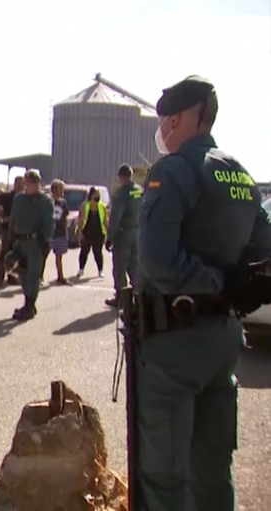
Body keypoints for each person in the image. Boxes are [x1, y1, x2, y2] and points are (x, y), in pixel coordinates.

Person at [134, 76, 271, 510]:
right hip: (224, 339)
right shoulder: (240, 174)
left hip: (176, 341)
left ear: (175, 119)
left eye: (163, 120)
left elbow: (157, 260)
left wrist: (211, 285)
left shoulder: (173, 170)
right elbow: (263, 256)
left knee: (163, 475)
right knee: (212, 472)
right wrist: (229, 290)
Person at [8, 170, 54, 321]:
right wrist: (11, 236)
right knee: (22, 272)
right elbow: (13, 218)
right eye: (27, 182)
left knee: (33, 275)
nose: (29, 185)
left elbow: (49, 223)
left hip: (35, 242)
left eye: (33, 182)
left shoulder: (44, 200)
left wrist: (45, 240)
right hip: (20, 241)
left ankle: (29, 306)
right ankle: (29, 304)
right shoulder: (19, 198)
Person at [104, 164, 143, 308]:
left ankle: (121, 298)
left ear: (121, 177)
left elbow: (116, 217)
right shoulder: (140, 191)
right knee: (135, 266)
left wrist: (110, 237)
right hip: (137, 233)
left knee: (120, 267)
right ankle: (139, 297)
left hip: (124, 234)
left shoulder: (121, 194)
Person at [0, 175, 24, 287]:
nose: (22, 186)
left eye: (23, 184)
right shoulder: (7, 196)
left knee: (18, 253)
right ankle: (0, 277)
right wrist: (1, 216)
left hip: (21, 229)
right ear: (15, 184)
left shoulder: (25, 197)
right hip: (8, 228)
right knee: (5, 251)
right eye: (20, 184)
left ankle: (12, 276)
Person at [76, 186, 106, 278]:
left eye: (99, 194)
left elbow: (105, 220)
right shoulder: (84, 205)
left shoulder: (102, 206)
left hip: (98, 233)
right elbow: (80, 220)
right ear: (91, 195)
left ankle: (100, 270)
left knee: (98, 252)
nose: (98, 196)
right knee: (84, 251)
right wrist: (79, 233)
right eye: (96, 194)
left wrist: (107, 233)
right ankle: (81, 269)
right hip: (87, 232)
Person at [49, 180, 70, 285]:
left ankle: (60, 276)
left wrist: (65, 231)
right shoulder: (48, 201)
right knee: (43, 255)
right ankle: (39, 277)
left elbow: (65, 217)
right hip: (49, 232)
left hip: (60, 232)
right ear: (54, 190)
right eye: (61, 189)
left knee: (59, 256)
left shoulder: (63, 202)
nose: (62, 191)